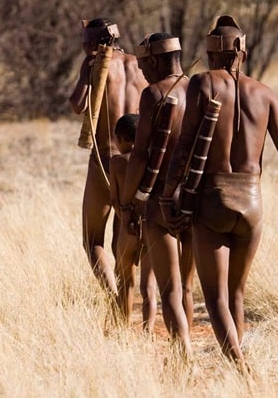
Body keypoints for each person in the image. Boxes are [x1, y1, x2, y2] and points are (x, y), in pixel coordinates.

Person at [160, 15, 278, 371]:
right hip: (252, 203)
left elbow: (184, 147)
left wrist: (167, 196)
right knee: (236, 294)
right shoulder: (265, 93)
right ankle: (237, 371)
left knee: (216, 298)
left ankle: (240, 367)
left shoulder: (202, 83)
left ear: (212, 53)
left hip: (212, 199)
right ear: (243, 52)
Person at [120, 33, 195, 358]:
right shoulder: (198, 88)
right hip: (195, 198)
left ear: (152, 60)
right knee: (188, 288)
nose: (142, 73)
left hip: (160, 200)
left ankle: (184, 354)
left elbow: (139, 155)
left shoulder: (154, 93)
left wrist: (128, 201)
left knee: (170, 289)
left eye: (142, 66)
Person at [69, 18, 148, 294]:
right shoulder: (140, 65)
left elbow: (77, 105)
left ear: (93, 43)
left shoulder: (95, 64)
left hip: (104, 160)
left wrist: (85, 72)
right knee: (124, 238)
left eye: (85, 44)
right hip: (136, 163)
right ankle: (127, 299)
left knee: (92, 241)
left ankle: (114, 297)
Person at [109, 113, 158, 332]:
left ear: (120, 138)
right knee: (149, 284)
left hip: (128, 226)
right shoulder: (151, 160)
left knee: (125, 280)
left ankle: (124, 327)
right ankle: (148, 330)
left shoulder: (117, 162)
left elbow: (115, 199)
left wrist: (125, 220)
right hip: (150, 225)